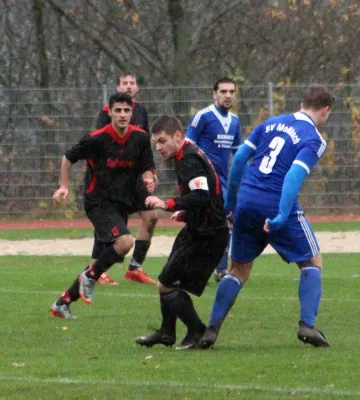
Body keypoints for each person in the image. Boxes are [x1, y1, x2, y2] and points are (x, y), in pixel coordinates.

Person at [197, 84, 335, 349]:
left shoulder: (271, 123)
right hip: (274, 201)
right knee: (311, 262)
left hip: (247, 200)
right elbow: (294, 175)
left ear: (303, 102)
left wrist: (230, 204)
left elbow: (238, 161)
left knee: (238, 269)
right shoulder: (315, 138)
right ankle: (307, 325)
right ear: (325, 110)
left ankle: (211, 329)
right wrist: (283, 213)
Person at [50, 92, 156, 319]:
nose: (123, 115)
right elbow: (68, 157)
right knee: (125, 241)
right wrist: (64, 186)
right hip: (98, 202)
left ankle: (63, 302)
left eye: (127, 111)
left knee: (102, 261)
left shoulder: (140, 138)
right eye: (118, 110)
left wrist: (149, 178)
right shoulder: (97, 139)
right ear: (109, 113)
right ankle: (89, 277)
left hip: (121, 203)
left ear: (132, 113)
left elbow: (148, 165)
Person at [135, 115, 229, 349]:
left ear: (178, 136)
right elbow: (206, 195)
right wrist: (186, 213)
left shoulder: (187, 158)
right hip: (199, 227)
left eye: (162, 141)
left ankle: (197, 331)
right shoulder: (186, 154)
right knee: (167, 280)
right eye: (155, 143)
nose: (158, 148)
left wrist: (167, 204)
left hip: (207, 234)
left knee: (166, 284)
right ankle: (167, 332)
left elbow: (201, 196)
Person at [92, 71, 156, 285]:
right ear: (118, 88)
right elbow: (100, 144)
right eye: (124, 83)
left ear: (137, 87)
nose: (129, 86)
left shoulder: (142, 111)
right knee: (108, 219)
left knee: (152, 216)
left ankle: (135, 268)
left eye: (132, 82)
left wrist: (150, 173)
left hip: (135, 176)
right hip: (113, 178)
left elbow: (145, 145)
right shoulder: (106, 112)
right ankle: (97, 268)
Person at [186, 77, 242, 282]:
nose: (227, 95)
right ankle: (204, 267)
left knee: (226, 221)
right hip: (204, 179)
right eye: (223, 91)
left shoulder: (235, 121)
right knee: (211, 221)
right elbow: (187, 146)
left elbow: (238, 154)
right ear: (214, 94)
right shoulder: (203, 116)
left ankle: (219, 269)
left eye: (231, 92)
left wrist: (243, 180)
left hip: (224, 181)